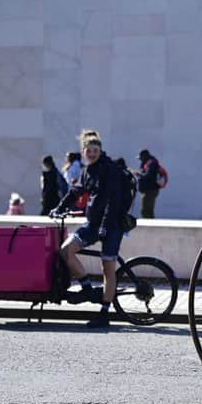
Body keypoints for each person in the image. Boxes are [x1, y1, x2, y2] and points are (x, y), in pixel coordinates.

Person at [51, 129, 124, 328]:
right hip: (92, 224)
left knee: (107, 269)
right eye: (88, 150)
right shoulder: (87, 170)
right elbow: (76, 191)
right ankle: (87, 289)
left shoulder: (108, 169)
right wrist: (60, 207)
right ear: (83, 152)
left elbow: (112, 201)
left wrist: (104, 227)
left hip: (111, 226)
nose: (92, 153)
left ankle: (104, 313)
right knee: (66, 251)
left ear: (100, 151)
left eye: (95, 150)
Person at [135, 149, 159, 218]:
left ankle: (149, 227)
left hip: (150, 190)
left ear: (144, 157)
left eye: (141, 158)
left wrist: (139, 174)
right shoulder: (149, 163)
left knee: (146, 210)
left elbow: (149, 175)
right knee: (147, 210)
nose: (140, 160)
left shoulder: (151, 163)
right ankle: (150, 225)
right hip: (148, 190)